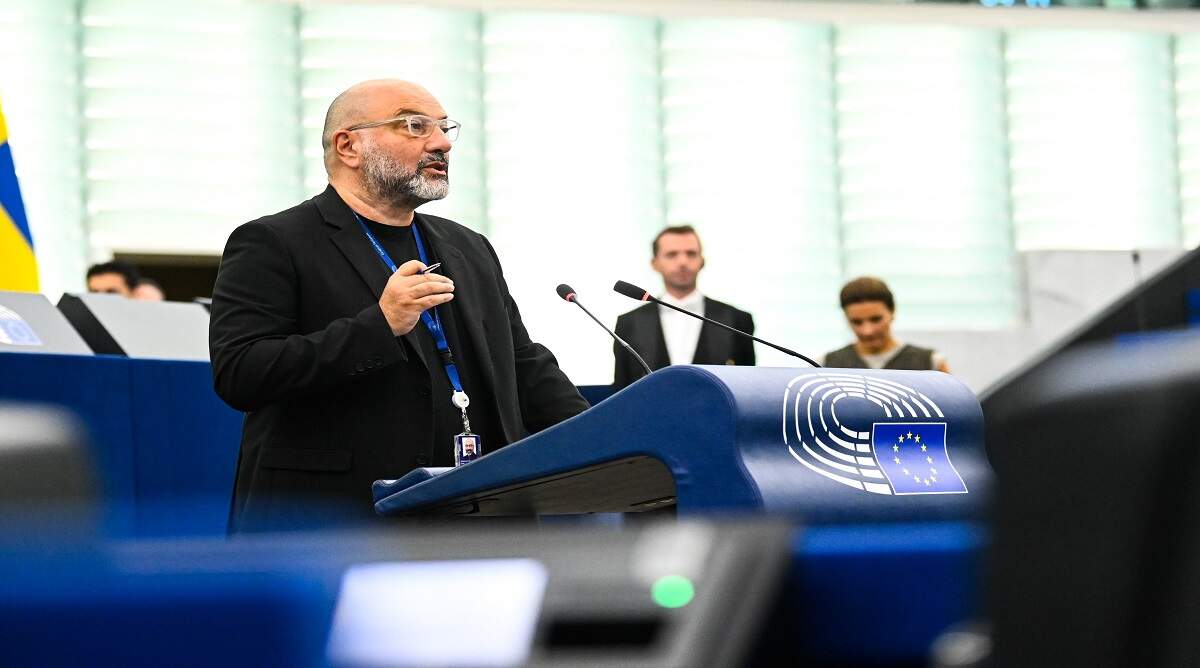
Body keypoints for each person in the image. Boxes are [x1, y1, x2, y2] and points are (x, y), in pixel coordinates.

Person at [209, 79, 588, 532]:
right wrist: (380, 325)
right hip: (339, 521)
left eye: (444, 127)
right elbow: (242, 373)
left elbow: (522, 363)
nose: (442, 143)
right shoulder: (275, 241)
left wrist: (603, 435)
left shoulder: (469, 247)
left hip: (479, 519)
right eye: (414, 126)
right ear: (349, 146)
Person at [612, 225, 755, 389]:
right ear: (654, 263)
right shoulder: (629, 323)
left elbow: (747, 388)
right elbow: (621, 390)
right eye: (672, 254)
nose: (683, 262)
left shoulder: (737, 320)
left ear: (702, 261)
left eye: (691, 253)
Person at [824, 276, 950, 372]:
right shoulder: (825, 366)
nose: (867, 331)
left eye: (876, 320)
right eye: (857, 322)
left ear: (892, 311)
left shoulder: (931, 363)